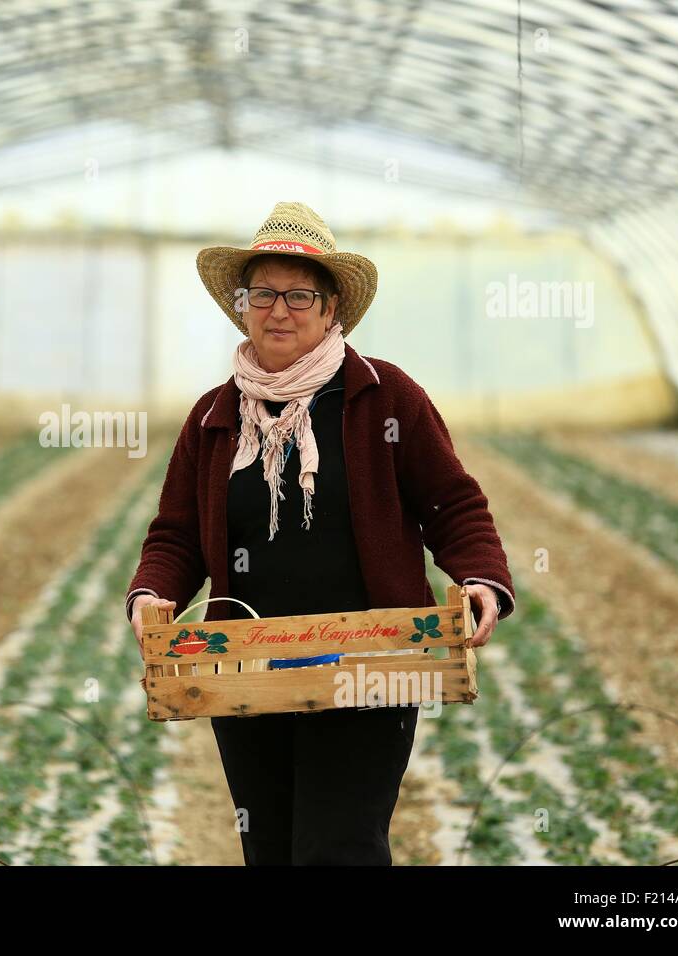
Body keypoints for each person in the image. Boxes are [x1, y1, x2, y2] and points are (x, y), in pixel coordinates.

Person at [125, 201, 516, 865]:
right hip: (245, 664)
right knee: (270, 847)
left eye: (300, 294)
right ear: (243, 305)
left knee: (340, 848)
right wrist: (150, 592)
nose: (280, 310)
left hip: (374, 661)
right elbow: (177, 534)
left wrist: (480, 578)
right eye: (263, 293)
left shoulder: (385, 398)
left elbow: (452, 502)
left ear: (332, 309)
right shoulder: (215, 418)